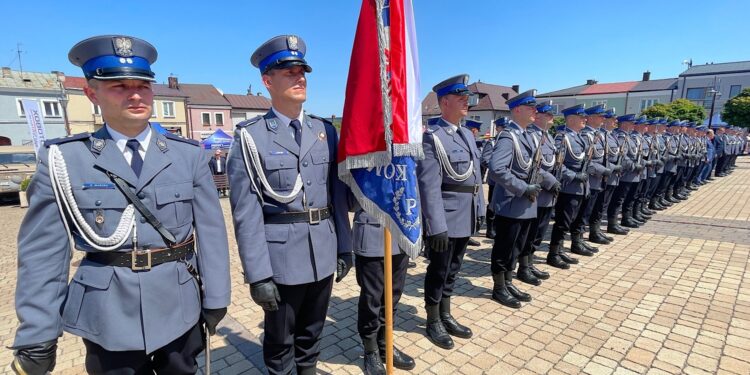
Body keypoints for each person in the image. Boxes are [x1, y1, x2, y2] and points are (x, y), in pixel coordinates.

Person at [11, 35, 231, 374]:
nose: (135, 94)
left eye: (143, 85)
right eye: (118, 86)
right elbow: (43, 254)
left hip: (178, 303)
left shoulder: (187, 155)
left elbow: (213, 235)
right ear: (91, 93)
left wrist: (217, 296)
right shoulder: (64, 160)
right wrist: (38, 334)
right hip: (107, 313)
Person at [227, 35, 352, 375]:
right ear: (267, 81)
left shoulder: (325, 130)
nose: (300, 78)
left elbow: (336, 193)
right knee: (280, 341)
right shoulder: (251, 137)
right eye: (289, 72)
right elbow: (246, 212)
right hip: (280, 259)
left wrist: (344, 246)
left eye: (303, 72)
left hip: (323, 251)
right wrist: (258, 274)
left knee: (312, 334)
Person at [418, 74, 485, 349]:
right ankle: (433, 319)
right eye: (461, 98)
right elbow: (428, 185)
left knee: (454, 268)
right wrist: (436, 225)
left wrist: (480, 208)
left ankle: (446, 313)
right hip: (445, 216)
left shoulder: (467, 133)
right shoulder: (433, 138)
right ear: (445, 102)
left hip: (465, 213)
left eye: (466, 98)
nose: (466, 102)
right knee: (439, 269)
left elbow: (477, 177)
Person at [487, 89, 546, 307]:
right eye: (531, 108)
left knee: (516, 246)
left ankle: (509, 281)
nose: (535, 111)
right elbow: (497, 169)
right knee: (504, 247)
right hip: (511, 202)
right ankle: (499, 287)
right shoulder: (508, 136)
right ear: (518, 110)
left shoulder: (527, 135)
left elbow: (532, 168)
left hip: (525, 203)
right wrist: (523, 187)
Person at [351, 205, 416, 374]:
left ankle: (385, 344)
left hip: (401, 232)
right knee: (372, 297)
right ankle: (371, 350)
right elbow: (349, 199)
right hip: (372, 230)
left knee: (393, 295)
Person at [549, 104, 594, 263]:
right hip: (569, 187)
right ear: (571, 119)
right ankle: (554, 254)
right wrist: (574, 176)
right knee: (563, 222)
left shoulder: (580, 137)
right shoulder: (563, 137)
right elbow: (558, 165)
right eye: (582, 118)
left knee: (574, 220)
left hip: (582, 187)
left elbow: (586, 162)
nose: (585, 120)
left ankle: (560, 250)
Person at [525, 101, 561, 273]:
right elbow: (532, 166)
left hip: (548, 195)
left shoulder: (549, 137)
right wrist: (551, 181)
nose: (552, 117)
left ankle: (529, 263)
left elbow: (553, 164)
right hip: (538, 193)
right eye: (548, 114)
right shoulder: (531, 136)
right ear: (537, 116)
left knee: (540, 231)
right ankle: (524, 266)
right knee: (531, 232)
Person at [481, 117, 508, 239]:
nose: (506, 130)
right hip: (494, 180)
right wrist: (495, 168)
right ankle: (490, 228)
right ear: (497, 128)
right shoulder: (492, 142)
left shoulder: (509, 141)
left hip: (506, 180)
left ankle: (499, 226)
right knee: (492, 204)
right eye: (503, 128)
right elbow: (485, 159)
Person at [464, 120, 483, 247]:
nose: (477, 133)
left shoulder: (472, 142)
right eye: (476, 130)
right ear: (473, 130)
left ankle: (468, 235)